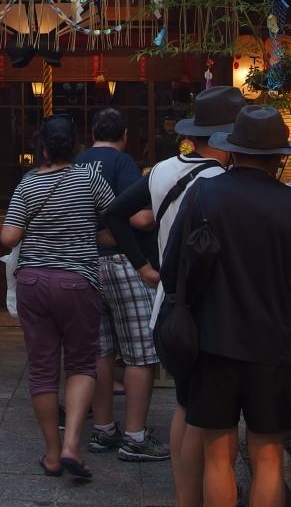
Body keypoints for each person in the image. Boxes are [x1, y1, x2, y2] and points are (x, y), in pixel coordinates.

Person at [162, 105, 291, 507]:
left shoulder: (204, 194)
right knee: (268, 458)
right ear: (279, 157)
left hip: (213, 341)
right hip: (271, 345)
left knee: (219, 455)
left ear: (233, 150)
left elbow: (171, 267)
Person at [104, 85, 242, 507]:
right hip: (208, 306)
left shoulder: (162, 170)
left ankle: (186, 497)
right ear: (226, 137)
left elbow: (114, 213)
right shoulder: (223, 181)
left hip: (167, 304)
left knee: (185, 402)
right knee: (206, 409)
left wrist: (145, 266)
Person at [0, 114, 141, 481]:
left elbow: (8, 237)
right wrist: (90, 238)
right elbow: (117, 219)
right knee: (80, 365)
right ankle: (72, 446)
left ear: (43, 147)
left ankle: (51, 453)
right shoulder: (89, 179)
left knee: (42, 369)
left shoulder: (28, 183)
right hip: (78, 282)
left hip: (33, 282)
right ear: (76, 145)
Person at [78, 108, 168, 463]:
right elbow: (140, 217)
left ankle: (102, 429)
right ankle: (135, 436)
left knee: (99, 350)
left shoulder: (78, 162)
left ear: (92, 133)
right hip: (121, 261)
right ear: (125, 135)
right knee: (140, 351)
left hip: (86, 264)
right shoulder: (121, 162)